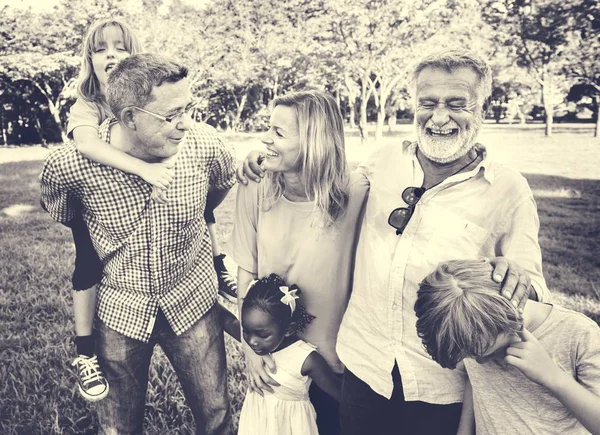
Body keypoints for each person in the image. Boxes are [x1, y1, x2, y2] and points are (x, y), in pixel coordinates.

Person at [238, 50, 551, 434]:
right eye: (428, 103)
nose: (439, 117)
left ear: (482, 107)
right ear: (413, 104)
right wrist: (262, 158)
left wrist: (514, 277)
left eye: (457, 104)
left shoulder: (507, 190)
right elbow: (318, 173)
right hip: (362, 368)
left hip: (440, 384)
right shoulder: (383, 162)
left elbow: (533, 289)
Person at [40, 53, 236, 434]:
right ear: (129, 117)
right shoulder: (70, 168)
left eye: (188, 108)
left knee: (217, 417)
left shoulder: (206, 145)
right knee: (117, 427)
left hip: (192, 300)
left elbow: (218, 190)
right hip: (120, 312)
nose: (186, 124)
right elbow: (65, 215)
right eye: (171, 115)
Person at [227, 89, 369, 434]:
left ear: (313, 142)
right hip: (276, 358)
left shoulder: (356, 192)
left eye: (278, 132)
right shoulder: (255, 186)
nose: (265, 139)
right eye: (268, 128)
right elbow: (246, 268)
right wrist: (251, 347)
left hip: (335, 362)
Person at [415, 259, 600, 435]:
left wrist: (553, 376)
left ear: (511, 315)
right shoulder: (475, 336)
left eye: (490, 354)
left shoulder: (579, 334)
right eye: (472, 357)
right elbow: (476, 382)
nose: (480, 362)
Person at [229, 274, 342, 435]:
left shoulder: (306, 359)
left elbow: (340, 394)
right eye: (246, 332)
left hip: (291, 427)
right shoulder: (255, 345)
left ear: (289, 329)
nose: (252, 341)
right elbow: (228, 321)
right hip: (257, 425)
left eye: (262, 335)